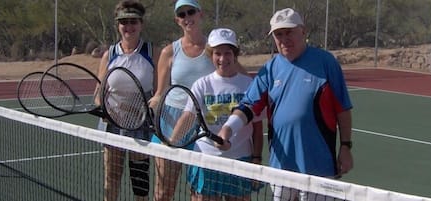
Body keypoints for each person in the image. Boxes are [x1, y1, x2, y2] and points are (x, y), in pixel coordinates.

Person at [215, 8, 354, 201]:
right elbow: (248, 106)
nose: (284, 39)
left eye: (289, 32)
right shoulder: (270, 69)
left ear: (303, 32)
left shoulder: (326, 62)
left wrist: (346, 147)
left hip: (319, 167)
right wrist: (227, 130)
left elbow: (343, 109)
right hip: (281, 168)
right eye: (278, 34)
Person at [147, 1, 248, 200]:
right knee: (162, 192)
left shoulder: (216, 50)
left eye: (190, 11)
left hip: (205, 125)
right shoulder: (169, 52)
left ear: (200, 14)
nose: (187, 17)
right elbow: (160, 92)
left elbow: (243, 77)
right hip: (173, 122)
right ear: (177, 20)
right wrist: (154, 103)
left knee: (199, 192)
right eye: (182, 14)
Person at [177, 28, 263, 201]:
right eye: (217, 53)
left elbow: (257, 127)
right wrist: (170, 142)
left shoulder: (249, 85)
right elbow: (188, 116)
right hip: (205, 158)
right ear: (211, 55)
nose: (223, 59)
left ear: (235, 54)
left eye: (228, 53)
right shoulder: (202, 84)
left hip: (240, 161)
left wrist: (256, 158)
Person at [95, 1, 159, 200]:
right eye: (124, 22)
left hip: (141, 126)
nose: (129, 27)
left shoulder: (152, 53)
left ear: (141, 24)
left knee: (139, 182)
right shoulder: (110, 55)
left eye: (133, 21)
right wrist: (101, 108)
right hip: (111, 126)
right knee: (111, 178)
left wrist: (147, 110)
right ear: (118, 25)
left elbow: (159, 92)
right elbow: (99, 91)